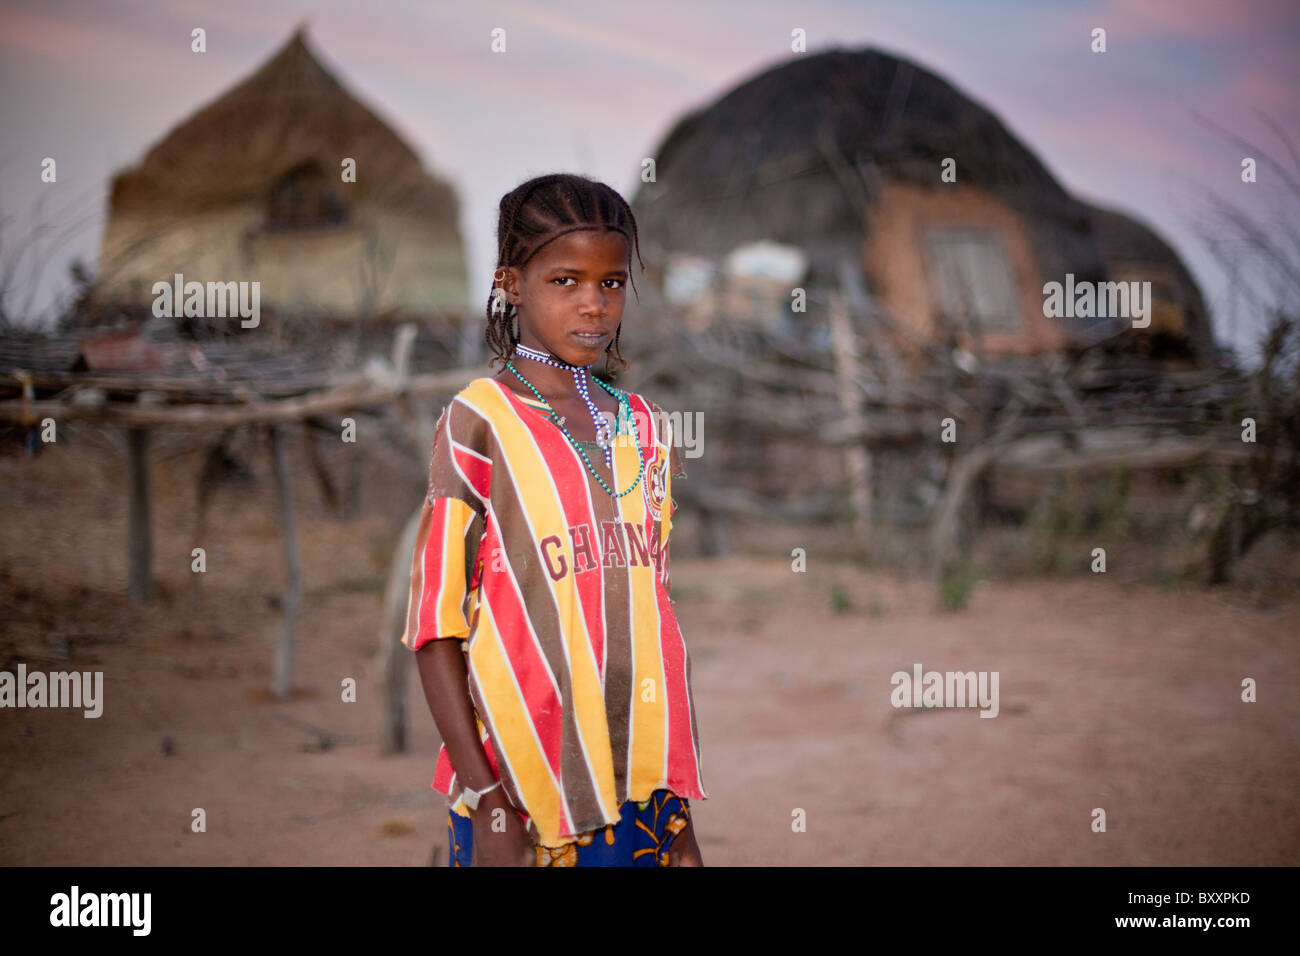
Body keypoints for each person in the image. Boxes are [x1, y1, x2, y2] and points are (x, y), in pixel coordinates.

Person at [401, 174, 707, 866]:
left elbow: (650, 619)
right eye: (565, 281)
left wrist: (676, 811)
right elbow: (434, 624)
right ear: (512, 282)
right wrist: (486, 798)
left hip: (641, 786)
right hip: (523, 785)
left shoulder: (646, 429)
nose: (593, 306)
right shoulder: (478, 424)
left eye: (612, 283)